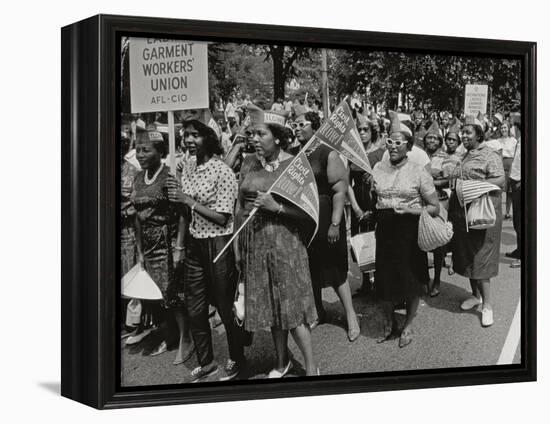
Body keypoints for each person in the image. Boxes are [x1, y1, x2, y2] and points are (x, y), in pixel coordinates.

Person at [235, 106, 319, 377]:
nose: (255, 139)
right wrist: (238, 247)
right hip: (255, 244)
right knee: (272, 307)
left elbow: (309, 214)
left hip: (286, 246)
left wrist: (277, 208)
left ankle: (311, 369)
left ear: (279, 137)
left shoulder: (295, 166)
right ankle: (281, 362)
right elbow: (240, 207)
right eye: (253, 134)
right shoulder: (248, 163)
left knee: (292, 311)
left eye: (261, 134)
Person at [167, 117, 248, 382]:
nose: (189, 141)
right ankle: (207, 362)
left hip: (219, 243)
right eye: (186, 136)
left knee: (225, 307)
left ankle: (237, 357)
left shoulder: (222, 171)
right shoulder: (187, 166)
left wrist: (187, 200)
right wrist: (177, 191)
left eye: (195, 136)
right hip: (195, 243)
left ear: (208, 139)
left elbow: (224, 217)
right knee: (194, 307)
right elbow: (185, 209)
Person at [372, 112, 440, 348]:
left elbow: (434, 207)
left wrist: (410, 212)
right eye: (389, 141)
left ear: (408, 146)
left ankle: (408, 324)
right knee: (385, 280)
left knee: (411, 281)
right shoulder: (378, 168)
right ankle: (390, 323)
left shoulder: (418, 171)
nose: (392, 146)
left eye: (398, 142)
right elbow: (375, 197)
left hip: (409, 234)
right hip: (385, 232)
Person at [293, 110, 361, 342]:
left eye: (302, 124)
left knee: (335, 269)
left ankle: (351, 316)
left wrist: (335, 223)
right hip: (305, 219)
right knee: (311, 267)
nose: (297, 128)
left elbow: (339, 191)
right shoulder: (295, 154)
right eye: (295, 124)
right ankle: (319, 311)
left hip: (327, 217)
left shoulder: (327, 153)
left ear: (314, 127)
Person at [132, 128, 188, 357]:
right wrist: (139, 250)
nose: (140, 154)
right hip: (146, 243)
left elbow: (183, 213)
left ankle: (186, 339)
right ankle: (169, 336)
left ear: (160, 151)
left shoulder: (169, 177)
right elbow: (136, 215)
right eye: (138, 150)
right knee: (156, 295)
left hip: (166, 244)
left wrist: (178, 247)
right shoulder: (138, 177)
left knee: (172, 295)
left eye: (146, 150)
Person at [448, 115, 505, 327]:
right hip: (464, 214)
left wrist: (474, 186)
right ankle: (476, 296)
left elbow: (500, 179)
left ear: (479, 134)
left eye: (468, 132)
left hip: (482, 213)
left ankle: (487, 305)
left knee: (481, 258)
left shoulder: (489, 154)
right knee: (468, 256)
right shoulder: (465, 155)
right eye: (462, 132)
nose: (463, 136)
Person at [347, 114, 385, 296]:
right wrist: (355, 208)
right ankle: (365, 283)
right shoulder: (352, 154)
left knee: (377, 240)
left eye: (365, 130)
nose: (361, 133)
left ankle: (379, 281)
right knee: (360, 241)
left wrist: (374, 208)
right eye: (358, 130)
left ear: (372, 131)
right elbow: (346, 182)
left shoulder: (381, 154)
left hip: (376, 200)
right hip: (358, 199)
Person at [423, 120, 450, 297]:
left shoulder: (445, 157)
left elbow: (447, 179)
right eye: (429, 138)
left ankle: (437, 280)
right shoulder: (418, 155)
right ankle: (425, 279)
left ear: (440, 141)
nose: (432, 141)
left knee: (438, 242)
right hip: (422, 201)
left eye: (435, 138)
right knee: (421, 240)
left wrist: (429, 181)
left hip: (440, 201)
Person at [507, 118, 521, 268]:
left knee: (522, 220)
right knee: (517, 220)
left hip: (520, 183)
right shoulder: (519, 141)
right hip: (515, 180)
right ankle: (519, 249)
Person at [497, 121, 518, 219]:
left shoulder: (513, 141)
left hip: (511, 165)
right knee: (500, 189)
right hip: (500, 165)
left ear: (508, 129)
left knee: (510, 191)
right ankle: (498, 211)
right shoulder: (498, 141)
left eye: (505, 128)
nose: (503, 130)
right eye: (502, 128)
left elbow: (515, 154)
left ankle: (507, 212)